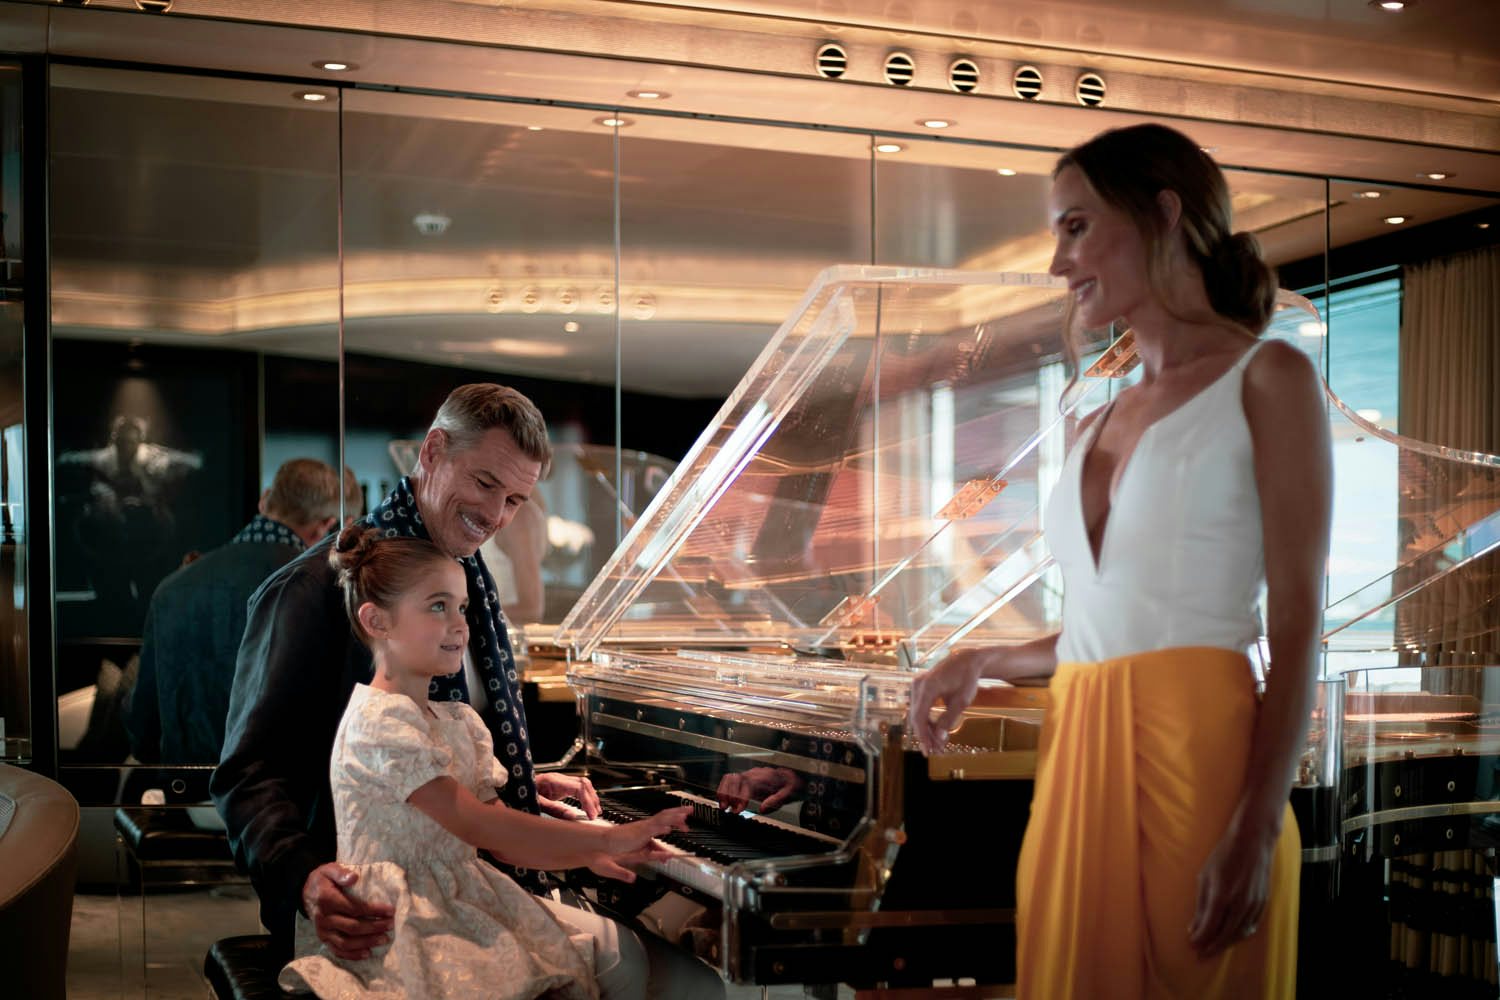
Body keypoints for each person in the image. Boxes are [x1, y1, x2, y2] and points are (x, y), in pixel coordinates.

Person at [907, 123, 1331, 999]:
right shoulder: (1095, 417)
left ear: (1164, 215)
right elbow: (1107, 627)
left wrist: (1255, 826)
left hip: (1205, 763)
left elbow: (1297, 625)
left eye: (1074, 226)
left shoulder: (1268, 378)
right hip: (1079, 761)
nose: (1058, 263)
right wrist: (982, 657)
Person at [212, 384, 724, 1000]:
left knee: (668, 971)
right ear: (432, 452)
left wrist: (523, 782)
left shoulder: (465, 583)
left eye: (515, 499)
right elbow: (249, 774)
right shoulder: (310, 591)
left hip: (472, 883)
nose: (497, 516)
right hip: (373, 915)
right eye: (485, 483)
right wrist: (302, 878)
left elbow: (448, 757)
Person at [279, 526, 692, 999]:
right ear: (377, 622)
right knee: (610, 962)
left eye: (462, 608)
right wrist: (611, 840)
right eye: (438, 606)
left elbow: (505, 838)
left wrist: (594, 843)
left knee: (623, 957)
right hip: (401, 919)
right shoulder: (379, 722)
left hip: (459, 893)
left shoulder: (457, 720)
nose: (460, 624)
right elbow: (479, 826)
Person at [127, 458, 359, 765]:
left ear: (264, 500)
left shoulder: (172, 587)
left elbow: (143, 730)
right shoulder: (329, 592)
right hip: (283, 799)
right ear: (328, 526)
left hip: (187, 796)